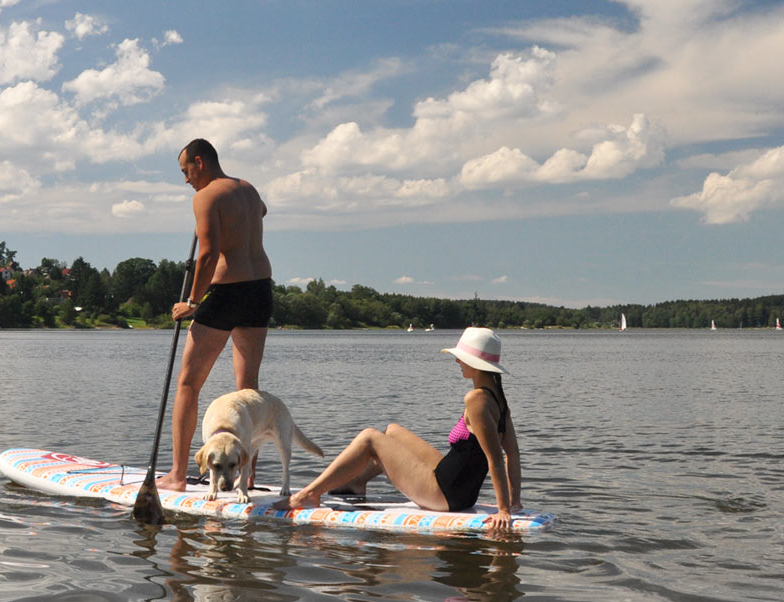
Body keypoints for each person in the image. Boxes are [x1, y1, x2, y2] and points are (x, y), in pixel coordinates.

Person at [282, 327, 522, 531]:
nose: (457, 361)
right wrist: (515, 501)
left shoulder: (476, 399)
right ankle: (357, 482)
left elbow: (495, 460)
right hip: (459, 490)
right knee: (392, 431)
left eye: (460, 357)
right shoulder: (499, 399)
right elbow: (512, 453)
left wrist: (503, 510)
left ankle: (309, 494)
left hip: (444, 495)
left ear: (475, 363)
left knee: (369, 438)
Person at [158, 138, 273, 492]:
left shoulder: (206, 196)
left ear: (199, 162)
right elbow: (262, 212)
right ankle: (248, 476)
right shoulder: (249, 190)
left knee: (188, 385)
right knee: (247, 391)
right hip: (260, 289)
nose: (186, 181)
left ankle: (177, 475)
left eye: (186, 171)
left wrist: (192, 302)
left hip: (226, 293)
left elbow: (208, 255)